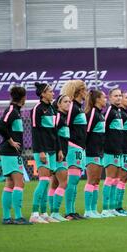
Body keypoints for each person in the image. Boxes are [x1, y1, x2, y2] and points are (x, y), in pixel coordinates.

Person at [0, 86, 32, 225]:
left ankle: (7, 217)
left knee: (10, 183)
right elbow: (0, 126)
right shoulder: (12, 110)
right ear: (23, 98)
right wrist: (10, 141)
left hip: (10, 153)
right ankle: (18, 216)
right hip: (10, 152)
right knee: (19, 183)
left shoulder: (15, 111)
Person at [30, 82, 59, 223]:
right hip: (43, 150)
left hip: (53, 150)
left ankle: (43, 213)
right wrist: (41, 151)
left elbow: (55, 131)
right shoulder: (37, 109)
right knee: (43, 181)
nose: (53, 93)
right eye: (50, 91)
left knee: (47, 182)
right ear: (43, 94)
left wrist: (59, 149)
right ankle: (34, 214)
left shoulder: (52, 109)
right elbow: (35, 132)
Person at [61, 80, 87, 220]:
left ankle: (72, 210)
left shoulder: (78, 107)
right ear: (80, 91)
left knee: (75, 180)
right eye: (85, 90)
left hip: (79, 147)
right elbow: (66, 125)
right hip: (72, 146)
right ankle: (69, 212)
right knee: (73, 179)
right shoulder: (72, 107)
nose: (86, 93)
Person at [83, 89, 107, 218]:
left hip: (99, 151)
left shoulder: (100, 114)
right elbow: (86, 132)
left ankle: (93, 209)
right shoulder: (92, 113)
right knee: (91, 179)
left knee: (97, 180)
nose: (105, 99)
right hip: (92, 151)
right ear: (97, 99)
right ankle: (88, 210)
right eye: (104, 97)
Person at [49, 94, 72, 222]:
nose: (68, 103)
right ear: (58, 104)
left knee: (55, 184)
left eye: (69, 101)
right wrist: (59, 150)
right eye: (65, 101)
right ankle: (55, 212)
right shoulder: (58, 116)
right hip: (59, 155)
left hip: (61, 154)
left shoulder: (63, 117)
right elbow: (53, 134)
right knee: (64, 182)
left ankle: (53, 212)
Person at [102, 88, 125, 217]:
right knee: (110, 178)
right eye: (115, 96)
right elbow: (103, 131)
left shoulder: (119, 112)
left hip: (118, 151)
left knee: (115, 179)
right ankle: (106, 209)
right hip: (110, 150)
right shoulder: (110, 112)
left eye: (120, 95)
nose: (118, 98)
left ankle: (112, 208)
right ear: (110, 98)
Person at [115, 91, 127, 214]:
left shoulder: (125, 114)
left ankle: (119, 206)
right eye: (126, 97)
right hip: (120, 151)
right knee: (119, 178)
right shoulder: (119, 114)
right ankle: (115, 206)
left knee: (123, 178)